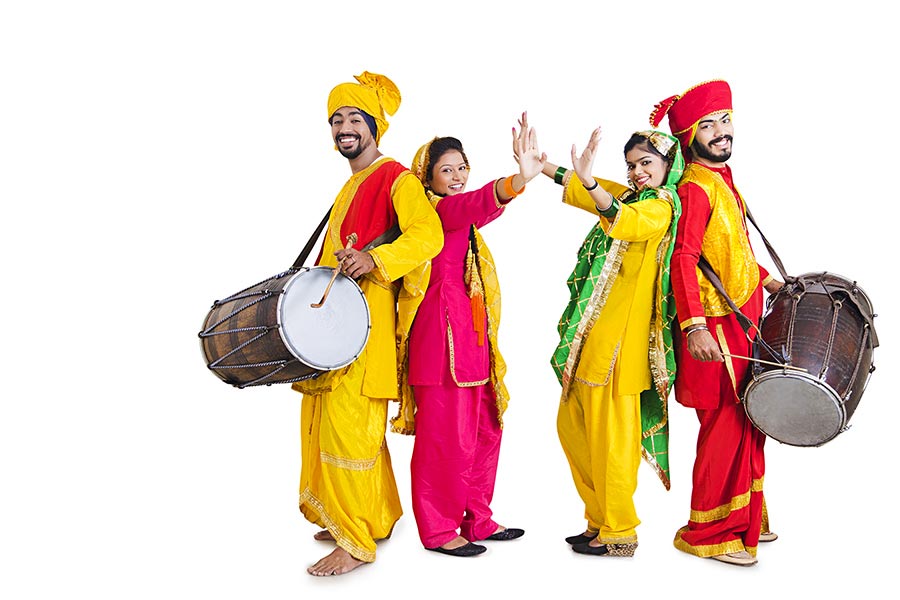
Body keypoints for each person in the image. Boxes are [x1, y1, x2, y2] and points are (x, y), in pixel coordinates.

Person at [291, 71, 443, 577]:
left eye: (354, 117)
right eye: (335, 120)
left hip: (365, 328)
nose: (343, 127)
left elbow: (429, 235)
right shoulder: (353, 182)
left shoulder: (394, 176)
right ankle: (372, 514)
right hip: (339, 326)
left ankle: (356, 543)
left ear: (374, 125)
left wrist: (376, 262)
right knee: (339, 426)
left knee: (349, 430)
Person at [649, 79, 782, 567]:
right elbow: (683, 259)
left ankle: (746, 517)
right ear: (689, 137)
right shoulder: (695, 189)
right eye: (708, 125)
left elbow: (728, 251)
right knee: (726, 421)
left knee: (750, 417)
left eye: (725, 120)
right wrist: (694, 326)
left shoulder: (724, 178)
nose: (722, 132)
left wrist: (764, 279)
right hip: (713, 324)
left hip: (744, 315)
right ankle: (710, 531)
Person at [397, 119, 544, 557]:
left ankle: (477, 518)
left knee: (486, 428)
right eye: (448, 170)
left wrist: (515, 183)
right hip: (440, 344)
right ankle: (440, 530)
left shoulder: (459, 218)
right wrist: (518, 179)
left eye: (463, 167)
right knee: (445, 438)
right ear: (427, 178)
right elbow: (478, 205)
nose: (459, 176)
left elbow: (484, 208)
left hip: (472, 339)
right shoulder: (435, 214)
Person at [540, 124, 683, 557]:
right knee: (574, 428)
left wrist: (589, 182)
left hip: (622, 346)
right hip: (592, 338)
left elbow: (625, 221)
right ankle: (598, 520)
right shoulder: (631, 196)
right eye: (632, 165)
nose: (638, 172)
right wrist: (540, 166)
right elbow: (593, 192)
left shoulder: (660, 207)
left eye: (646, 163)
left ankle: (620, 530)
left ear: (667, 166)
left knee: (613, 440)